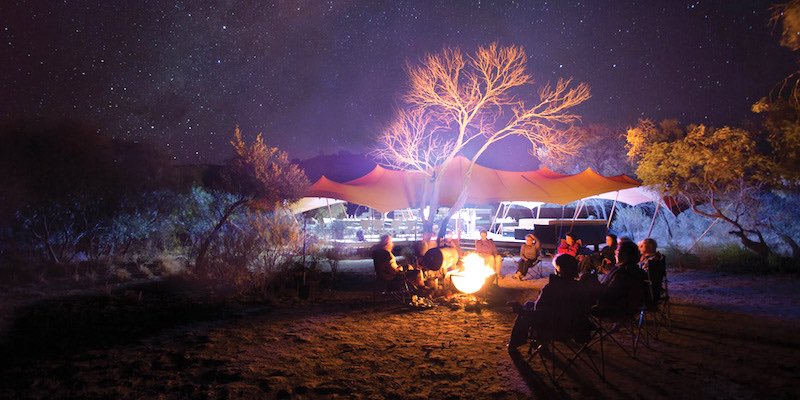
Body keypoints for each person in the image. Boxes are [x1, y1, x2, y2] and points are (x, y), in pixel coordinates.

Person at [508, 254, 598, 348]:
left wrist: (520, 310)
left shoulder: (551, 288)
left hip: (553, 327)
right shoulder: (582, 288)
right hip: (576, 327)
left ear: (559, 269)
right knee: (530, 304)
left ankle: (516, 343)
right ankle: (535, 343)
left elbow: (539, 311)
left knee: (528, 306)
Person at [593, 240, 648, 317]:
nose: (615, 252)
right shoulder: (639, 271)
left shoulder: (621, 272)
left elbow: (609, 293)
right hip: (632, 307)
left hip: (612, 309)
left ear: (624, 254)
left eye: (618, 250)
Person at [638, 238, 666, 304]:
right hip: (653, 288)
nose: (640, 247)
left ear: (650, 247)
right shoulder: (650, 257)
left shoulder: (653, 260)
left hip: (648, 290)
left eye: (642, 245)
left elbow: (644, 274)